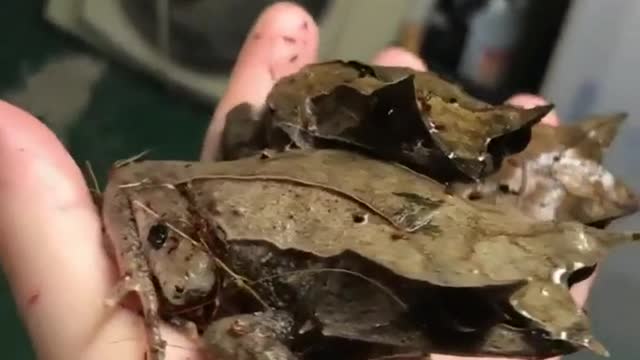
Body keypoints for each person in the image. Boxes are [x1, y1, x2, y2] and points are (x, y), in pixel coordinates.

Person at [0, 2, 592, 359]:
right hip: (220, 217)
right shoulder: (334, 301)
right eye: (464, 314)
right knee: (190, 280)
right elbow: (237, 335)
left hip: (311, 197)